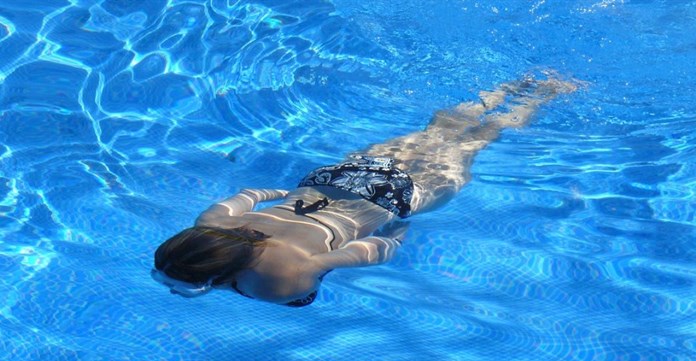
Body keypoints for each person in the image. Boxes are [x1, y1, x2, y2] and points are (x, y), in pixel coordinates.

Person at [152, 76, 577, 306]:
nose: (173, 289)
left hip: (390, 198)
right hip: (332, 178)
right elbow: (249, 193)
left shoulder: (278, 282)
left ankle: (546, 93)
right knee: (440, 129)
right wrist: (284, 190)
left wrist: (395, 236)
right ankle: (507, 85)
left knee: (477, 140)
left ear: (214, 277)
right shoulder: (210, 221)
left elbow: (364, 252)